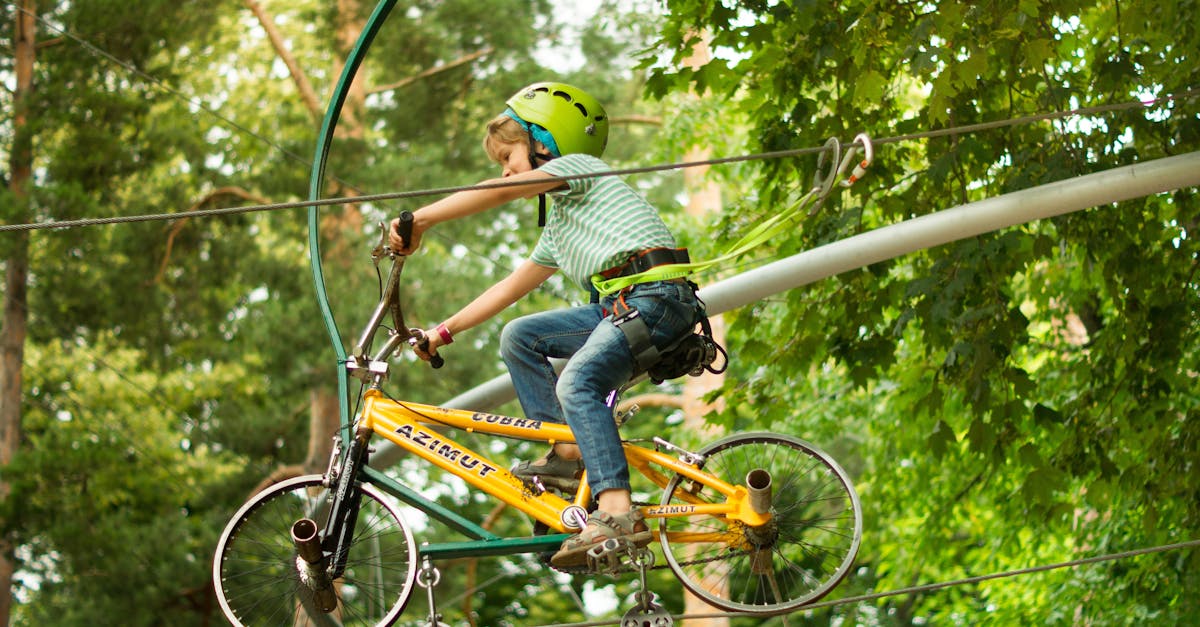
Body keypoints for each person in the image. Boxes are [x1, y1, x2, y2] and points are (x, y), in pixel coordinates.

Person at [389, 82, 701, 567]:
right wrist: (441, 332)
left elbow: (503, 190)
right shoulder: (560, 226)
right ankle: (564, 449)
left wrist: (421, 220)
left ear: (544, 143)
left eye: (508, 154)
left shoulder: (581, 169)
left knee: (578, 383)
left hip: (656, 297)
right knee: (521, 335)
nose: (504, 169)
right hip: (621, 306)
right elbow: (509, 288)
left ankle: (617, 511)